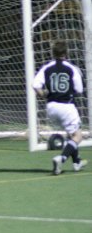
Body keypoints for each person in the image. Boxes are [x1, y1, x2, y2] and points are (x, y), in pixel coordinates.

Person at [33, 38, 88, 175]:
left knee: (71, 133)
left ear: (52, 53)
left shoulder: (46, 67)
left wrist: (43, 94)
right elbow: (79, 89)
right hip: (66, 106)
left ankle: (77, 162)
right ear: (66, 53)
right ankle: (61, 158)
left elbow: (35, 85)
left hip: (51, 107)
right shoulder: (71, 68)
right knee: (78, 136)